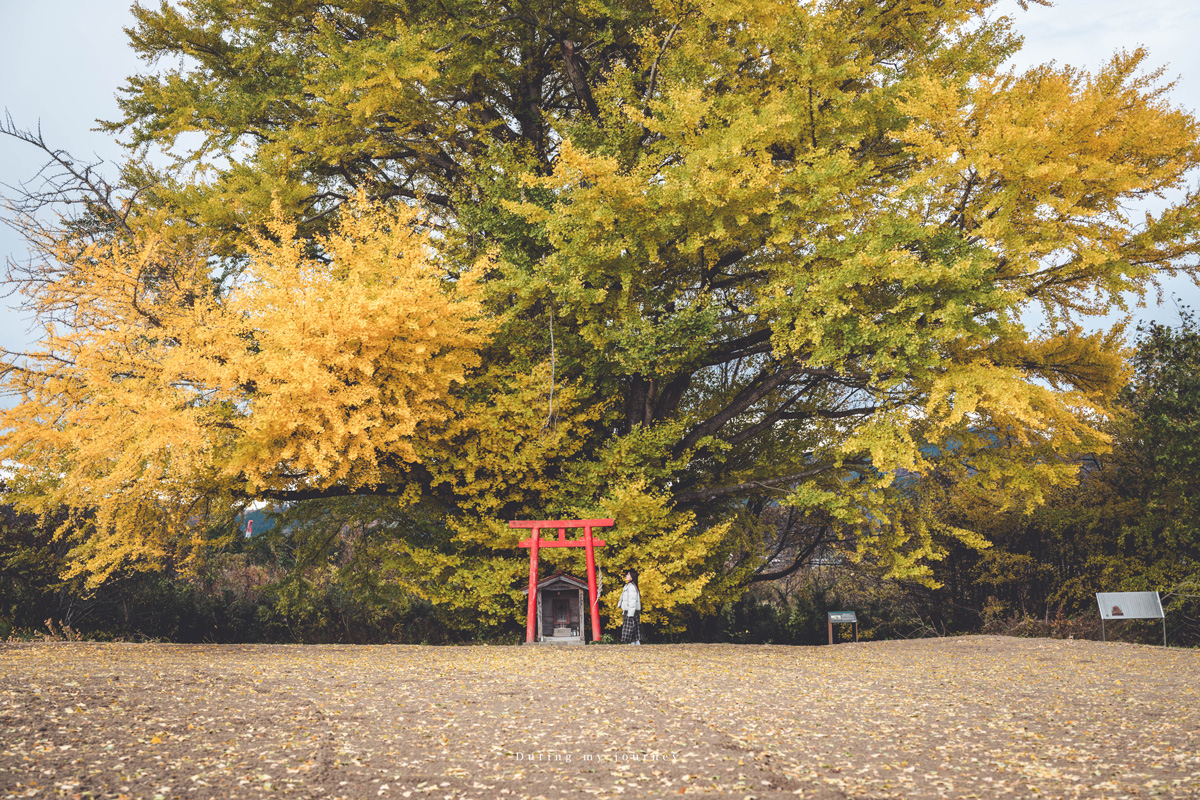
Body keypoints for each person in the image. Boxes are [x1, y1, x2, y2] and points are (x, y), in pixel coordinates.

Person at [618, 568, 641, 645]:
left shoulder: (631, 587)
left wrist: (631, 612)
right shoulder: (628, 586)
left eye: (628, 574)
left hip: (631, 610)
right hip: (629, 609)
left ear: (632, 577)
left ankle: (634, 642)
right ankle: (635, 642)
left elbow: (632, 600)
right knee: (634, 627)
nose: (626, 576)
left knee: (630, 627)